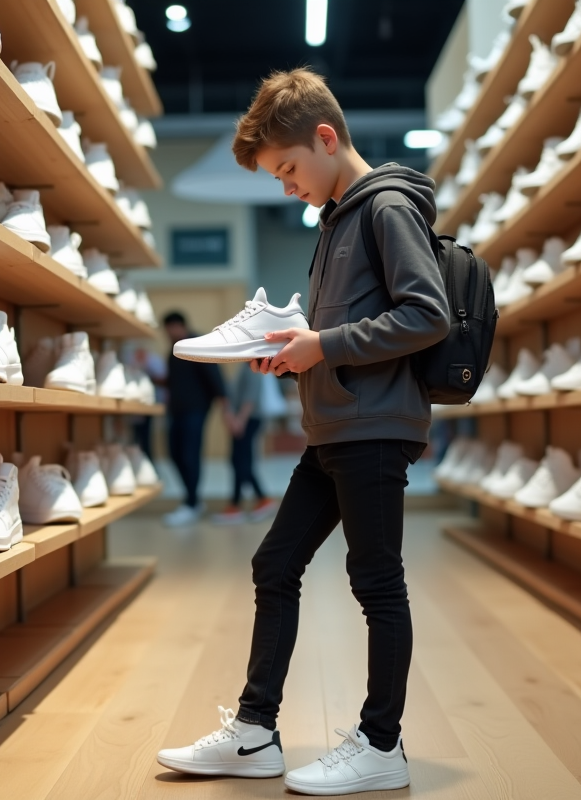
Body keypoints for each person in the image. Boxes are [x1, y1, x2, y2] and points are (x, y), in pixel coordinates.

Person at [155, 68, 449, 795]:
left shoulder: (385, 208)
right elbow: (343, 334)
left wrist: (323, 345)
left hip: (374, 429)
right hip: (335, 428)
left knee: (377, 583)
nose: (287, 188)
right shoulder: (336, 220)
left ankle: (383, 745)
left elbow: (427, 314)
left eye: (289, 170)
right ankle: (256, 734)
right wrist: (297, 354)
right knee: (273, 564)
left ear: (326, 138)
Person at [161, 311, 226, 528]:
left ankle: (192, 503)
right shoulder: (173, 351)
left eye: (171, 328)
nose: (169, 333)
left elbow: (215, 379)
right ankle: (191, 499)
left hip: (196, 411)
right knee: (174, 453)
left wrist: (227, 410)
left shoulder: (198, 345)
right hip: (176, 411)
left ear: (180, 326)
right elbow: (172, 382)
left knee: (190, 455)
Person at [212, 365, 278, 525]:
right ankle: (246, 502)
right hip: (245, 420)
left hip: (247, 420)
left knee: (241, 461)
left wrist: (239, 420)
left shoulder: (253, 368)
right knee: (239, 461)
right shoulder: (246, 367)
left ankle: (247, 502)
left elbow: (250, 397)